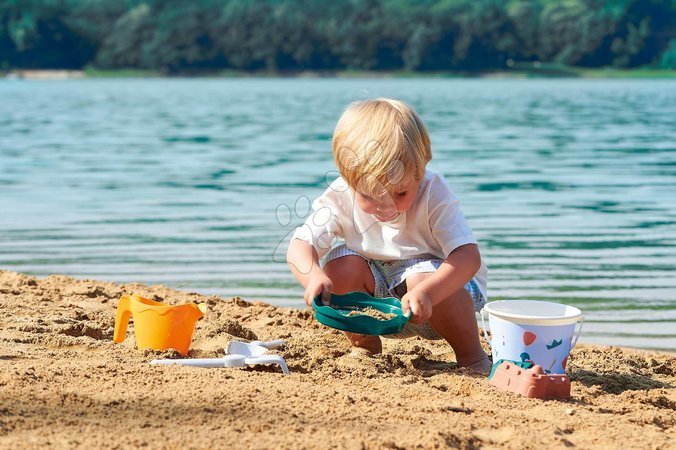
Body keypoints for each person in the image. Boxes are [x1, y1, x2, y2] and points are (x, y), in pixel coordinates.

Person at [286, 98, 491, 374]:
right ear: (348, 178)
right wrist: (313, 277)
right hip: (379, 304)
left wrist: (428, 292)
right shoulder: (339, 195)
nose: (386, 208)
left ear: (421, 170)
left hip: (440, 299)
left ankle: (472, 356)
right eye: (369, 196)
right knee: (338, 267)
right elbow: (300, 246)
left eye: (400, 194)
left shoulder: (433, 191)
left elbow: (468, 257)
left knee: (420, 276)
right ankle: (365, 345)